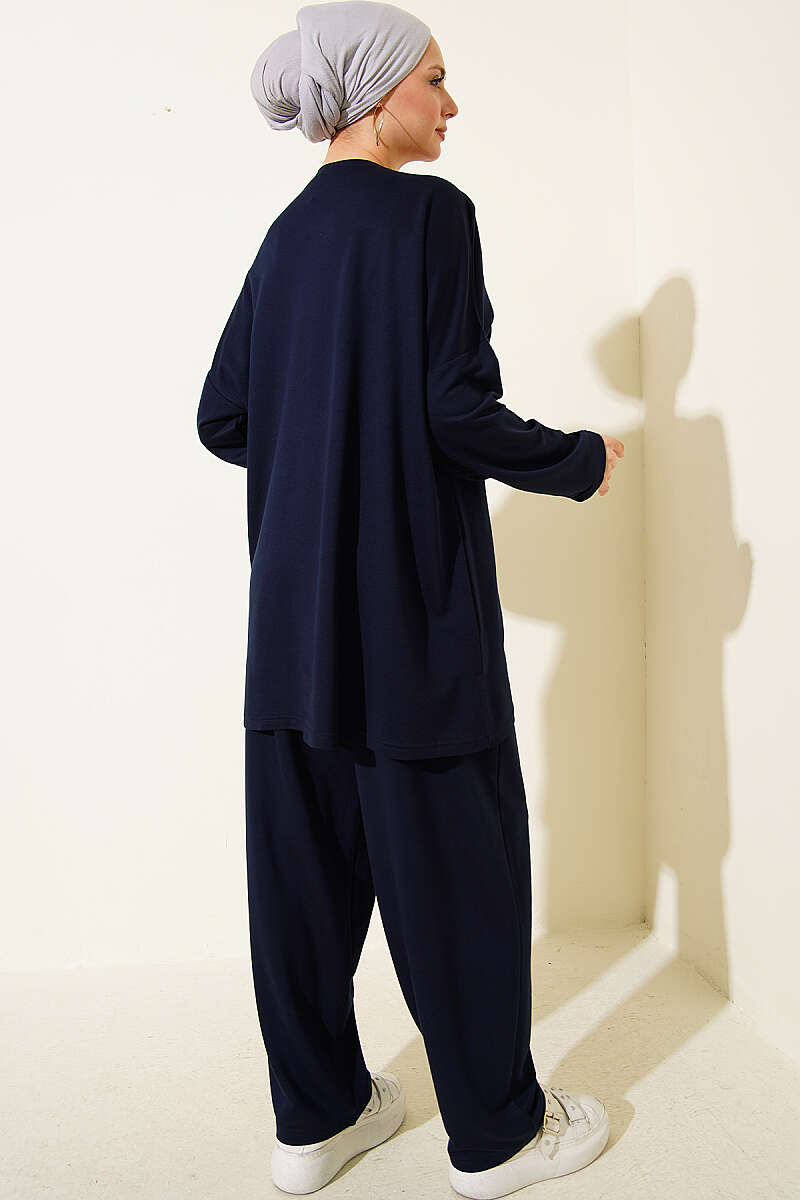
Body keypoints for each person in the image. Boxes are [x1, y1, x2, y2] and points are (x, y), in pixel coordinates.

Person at [197, 3, 623, 1195]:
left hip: (289, 632)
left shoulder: (285, 238)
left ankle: (315, 1122)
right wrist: (576, 459)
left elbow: (222, 416)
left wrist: (323, 456)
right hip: (409, 628)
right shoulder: (432, 216)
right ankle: (498, 1137)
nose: (449, 103)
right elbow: (452, 410)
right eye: (435, 79)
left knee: (301, 885)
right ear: (378, 93)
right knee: (459, 877)